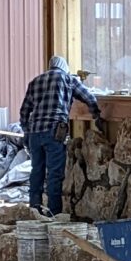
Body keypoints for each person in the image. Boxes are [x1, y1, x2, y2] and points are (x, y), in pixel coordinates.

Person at [18, 53, 100, 215]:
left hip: (35, 132)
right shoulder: (67, 79)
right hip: (54, 131)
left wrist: (26, 130)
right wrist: (96, 113)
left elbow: (24, 111)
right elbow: (89, 97)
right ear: (65, 68)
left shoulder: (35, 81)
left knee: (37, 171)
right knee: (54, 174)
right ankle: (53, 214)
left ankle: (34, 210)